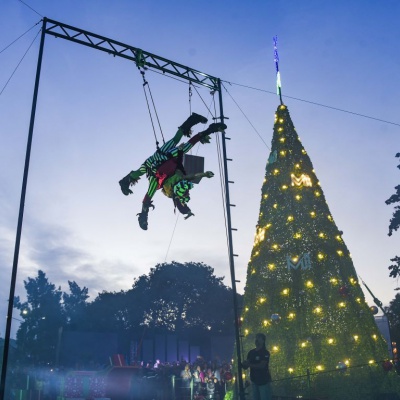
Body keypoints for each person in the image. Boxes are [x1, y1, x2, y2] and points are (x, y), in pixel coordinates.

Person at [119, 112, 226, 230]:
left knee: (175, 145)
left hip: (157, 161)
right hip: (166, 157)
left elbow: (147, 199)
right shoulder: (178, 179)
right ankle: (203, 125)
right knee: (180, 144)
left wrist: (143, 217)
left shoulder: (156, 182)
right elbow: (191, 176)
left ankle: (125, 181)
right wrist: (205, 174)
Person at [241, 333, 272, 400]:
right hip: (254, 381)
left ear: (263, 341)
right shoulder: (251, 352)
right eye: (256, 338)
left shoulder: (265, 352)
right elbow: (246, 365)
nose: (256, 340)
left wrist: (249, 365)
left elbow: (262, 366)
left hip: (263, 381)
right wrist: (244, 364)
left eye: (259, 338)